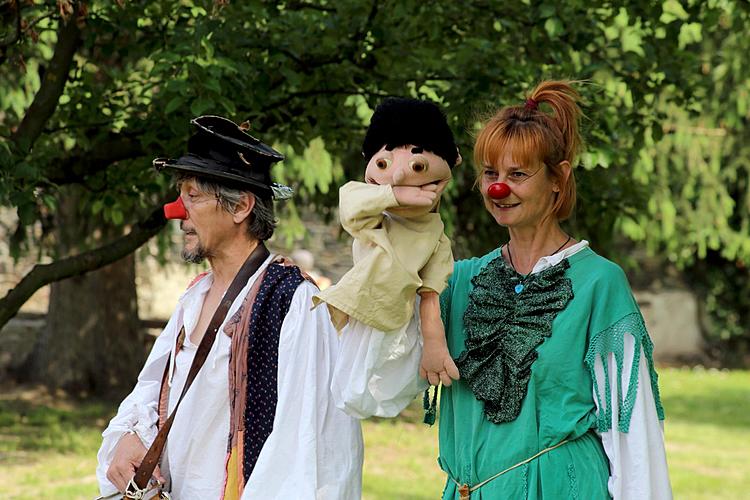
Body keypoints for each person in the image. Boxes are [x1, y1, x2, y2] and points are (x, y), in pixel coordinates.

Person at [95, 115, 363, 499]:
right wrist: (130, 437)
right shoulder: (194, 296)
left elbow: (311, 453)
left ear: (241, 208)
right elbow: (150, 389)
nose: (176, 211)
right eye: (181, 195)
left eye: (194, 195)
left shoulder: (293, 304)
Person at [436, 81, 672, 499]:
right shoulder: (458, 281)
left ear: (558, 179)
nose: (498, 189)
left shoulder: (599, 283)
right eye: (491, 173)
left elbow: (633, 432)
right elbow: (377, 378)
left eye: (518, 174)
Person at [314, 98, 460, 419]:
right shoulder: (376, 212)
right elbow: (350, 205)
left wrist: (434, 344)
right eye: (383, 163)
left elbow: (430, 294)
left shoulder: (434, 233)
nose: (397, 175)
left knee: (391, 379)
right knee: (348, 385)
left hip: (401, 316)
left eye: (417, 164)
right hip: (363, 307)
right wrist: (394, 196)